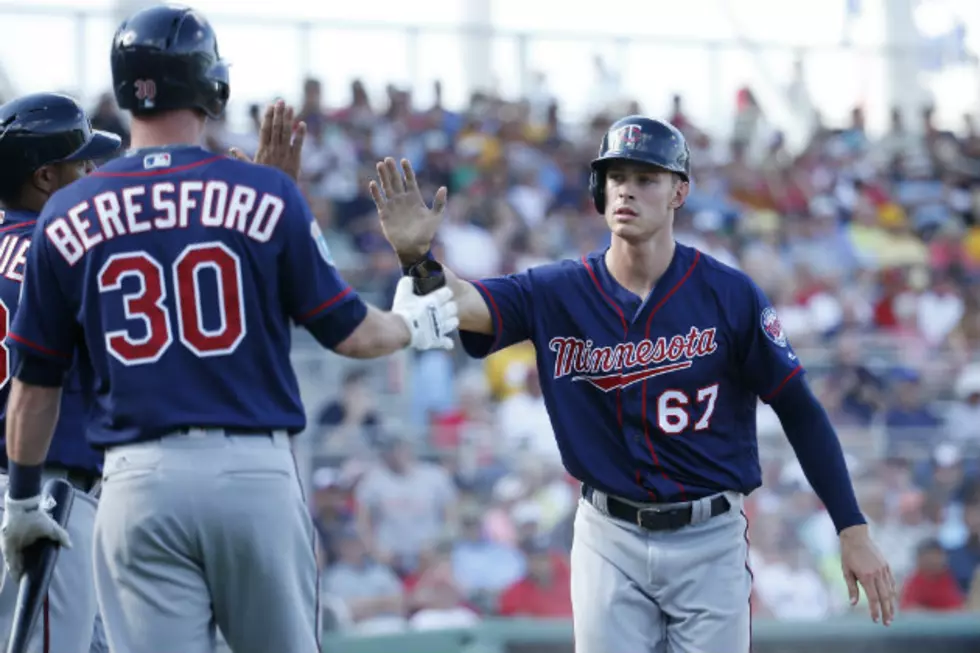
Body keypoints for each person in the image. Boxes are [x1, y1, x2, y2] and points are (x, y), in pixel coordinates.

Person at [0, 5, 458, 653]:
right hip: (250, 470)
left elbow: (35, 385)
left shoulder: (68, 211)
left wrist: (21, 501)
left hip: (132, 480)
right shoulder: (260, 192)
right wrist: (414, 313)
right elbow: (353, 334)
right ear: (209, 85)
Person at [369, 115, 896, 653]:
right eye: (616, 176)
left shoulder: (729, 295)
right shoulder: (558, 290)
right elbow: (459, 302)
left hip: (709, 537)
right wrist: (417, 258)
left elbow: (799, 408)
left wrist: (851, 528)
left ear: (679, 192)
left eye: (646, 178)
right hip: (609, 535)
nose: (627, 189)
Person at [0, 91, 121, 653]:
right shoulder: (69, 257)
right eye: (83, 163)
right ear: (46, 177)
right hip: (45, 499)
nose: (94, 173)